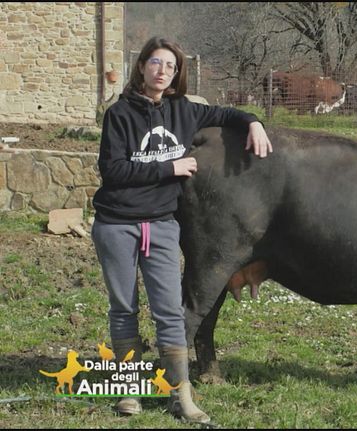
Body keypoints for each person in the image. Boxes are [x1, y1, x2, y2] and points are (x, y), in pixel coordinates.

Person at [91, 36, 272, 424]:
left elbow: (227, 113)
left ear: (177, 74)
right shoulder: (119, 114)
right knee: (123, 308)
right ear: (142, 66)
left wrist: (253, 122)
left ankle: (181, 396)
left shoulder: (184, 111)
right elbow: (113, 170)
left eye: (170, 66)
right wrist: (169, 168)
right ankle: (129, 390)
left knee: (170, 311)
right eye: (156, 63)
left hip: (160, 226)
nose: (162, 71)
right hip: (117, 225)